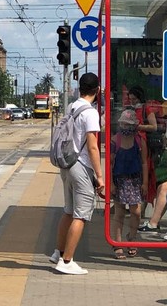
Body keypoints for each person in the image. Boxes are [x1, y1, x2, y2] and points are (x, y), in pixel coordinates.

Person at [49, 72, 104, 275]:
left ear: (80, 88)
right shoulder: (90, 113)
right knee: (81, 215)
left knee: (68, 211)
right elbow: (92, 147)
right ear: (97, 90)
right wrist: (99, 176)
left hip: (67, 164)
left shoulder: (72, 107)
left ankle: (58, 252)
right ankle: (66, 261)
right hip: (81, 166)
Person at [109, 109, 148, 258]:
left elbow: (144, 162)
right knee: (119, 213)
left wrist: (145, 183)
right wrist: (111, 183)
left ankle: (132, 238)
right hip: (119, 180)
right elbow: (110, 164)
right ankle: (117, 244)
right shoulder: (115, 140)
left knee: (136, 212)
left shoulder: (139, 141)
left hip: (135, 180)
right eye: (124, 124)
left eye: (129, 124)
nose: (126, 127)